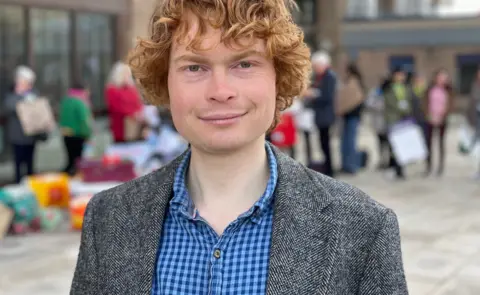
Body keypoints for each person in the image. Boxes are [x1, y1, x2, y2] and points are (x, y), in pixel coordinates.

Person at [71, 1, 408, 294]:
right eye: (194, 66)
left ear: (279, 77)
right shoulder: (108, 219)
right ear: (165, 81)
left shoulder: (363, 228)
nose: (221, 91)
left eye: (244, 64)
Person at [303, 51, 337, 177]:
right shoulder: (320, 77)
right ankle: (326, 166)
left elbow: (327, 96)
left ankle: (329, 169)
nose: (315, 69)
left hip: (326, 115)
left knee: (326, 143)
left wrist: (313, 94)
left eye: (316, 66)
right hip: (320, 115)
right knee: (322, 142)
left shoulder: (329, 77)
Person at [3, 66, 38, 183]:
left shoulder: (33, 94)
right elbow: (8, 107)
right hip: (17, 137)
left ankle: (30, 184)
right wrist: (20, 97)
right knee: (18, 164)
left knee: (30, 163)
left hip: (31, 136)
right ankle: (18, 184)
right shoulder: (12, 95)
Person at [423, 69, 454, 177]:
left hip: (442, 119)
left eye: (445, 78)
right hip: (430, 119)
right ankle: (429, 166)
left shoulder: (448, 91)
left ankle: (440, 167)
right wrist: (428, 115)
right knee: (428, 143)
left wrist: (443, 115)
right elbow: (425, 103)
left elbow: (450, 105)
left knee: (441, 143)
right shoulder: (430, 90)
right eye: (441, 77)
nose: (443, 80)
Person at [58, 82, 93, 176]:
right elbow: (84, 120)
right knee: (78, 162)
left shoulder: (66, 101)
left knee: (70, 160)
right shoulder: (80, 102)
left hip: (66, 135)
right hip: (78, 135)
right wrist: (88, 135)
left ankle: (65, 177)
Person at [105, 62, 144, 143]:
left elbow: (138, 103)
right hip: (120, 126)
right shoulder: (112, 89)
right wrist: (132, 113)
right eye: (125, 74)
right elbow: (116, 107)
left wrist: (138, 113)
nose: (128, 76)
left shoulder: (131, 89)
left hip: (134, 125)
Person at [338, 63, 365, 174]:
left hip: (351, 116)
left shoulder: (352, 83)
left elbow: (354, 99)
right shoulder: (355, 82)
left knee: (349, 142)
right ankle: (347, 164)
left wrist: (342, 109)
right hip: (350, 116)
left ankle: (350, 165)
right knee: (347, 142)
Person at [384, 67, 411, 180]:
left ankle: (401, 169)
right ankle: (394, 167)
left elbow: (409, 101)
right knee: (394, 146)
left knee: (403, 145)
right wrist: (401, 108)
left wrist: (406, 110)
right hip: (393, 119)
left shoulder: (406, 88)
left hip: (403, 120)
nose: (401, 77)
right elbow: (390, 103)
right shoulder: (389, 88)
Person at [366, 76, 389, 169]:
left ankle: (388, 161)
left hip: (388, 121)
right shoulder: (375, 91)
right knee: (380, 142)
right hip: (378, 121)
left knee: (388, 143)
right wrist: (379, 105)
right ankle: (382, 161)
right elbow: (369, 103)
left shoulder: (388, 92)